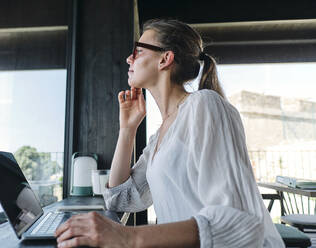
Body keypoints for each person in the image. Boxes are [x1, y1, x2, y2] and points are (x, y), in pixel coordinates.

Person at [55, 19, 285, 248]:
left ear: (165, 58)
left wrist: (128, 237)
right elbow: (120, 198)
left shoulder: (204, 105)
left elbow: (240, 222)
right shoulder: (163, 132)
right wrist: (127, 131)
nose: (129, 58)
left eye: (138, 51)